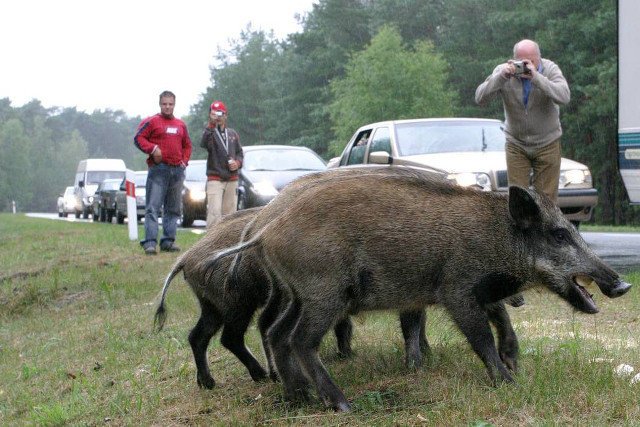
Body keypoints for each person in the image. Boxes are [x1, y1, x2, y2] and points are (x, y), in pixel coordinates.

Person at [475, 39, 570, 203]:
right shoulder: (503, 72)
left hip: (547, 142)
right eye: (521, 62)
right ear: (513, 60)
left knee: (546, 201)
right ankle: (518, 229)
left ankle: (543, 229)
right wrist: (501, 77)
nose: (526, 66)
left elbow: (564, 96)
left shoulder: (550, 69)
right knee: (518, 198)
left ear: (539, 59)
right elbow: (480, 98)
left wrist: (537, 78)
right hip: (516, 143)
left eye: (531, 61)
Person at [134, 90, 192, 255]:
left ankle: (168, 241)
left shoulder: (180, 125)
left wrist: (184, 161)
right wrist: (153, 149)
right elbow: (138, 138)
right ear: (160, 104)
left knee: (173, 209)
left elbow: (187, 145)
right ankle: (150, 242)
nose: (167, 107)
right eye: (165, 104)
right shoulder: (152, 122)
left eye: (170, 104)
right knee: (153, 207)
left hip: (177, 170)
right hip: (159, 170)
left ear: (174, 105)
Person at [200, 100, 243, 228]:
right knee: (214, 211)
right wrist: (211, 125)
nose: (218, 117)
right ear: (210, 115)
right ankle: (211, 242)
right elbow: (203, 143)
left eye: (221, 113)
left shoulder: (233, 134)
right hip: (215, 178)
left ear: (226, 115)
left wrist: (237, 163)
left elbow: (240, 152)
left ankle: (228, 241)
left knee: (230, 213)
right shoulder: (210, 132)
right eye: (215, 113)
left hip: (232, 178)